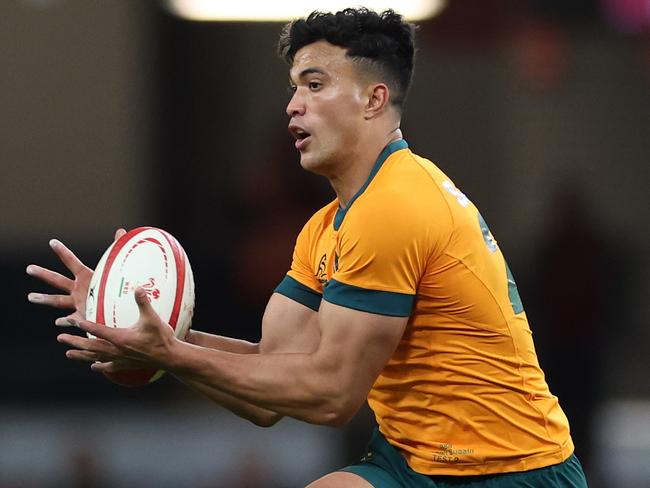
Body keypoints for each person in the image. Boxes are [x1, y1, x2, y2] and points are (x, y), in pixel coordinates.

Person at [27, 8, 589, 488]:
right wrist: (153, 335)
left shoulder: (396, 207)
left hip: (512, 469)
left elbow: (330, 397)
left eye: (315, 85)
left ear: (374, 98)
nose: (294, 105)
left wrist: (169, 354)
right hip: (415, 461)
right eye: (294, 87)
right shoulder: (326, 227)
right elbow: (271, 392)